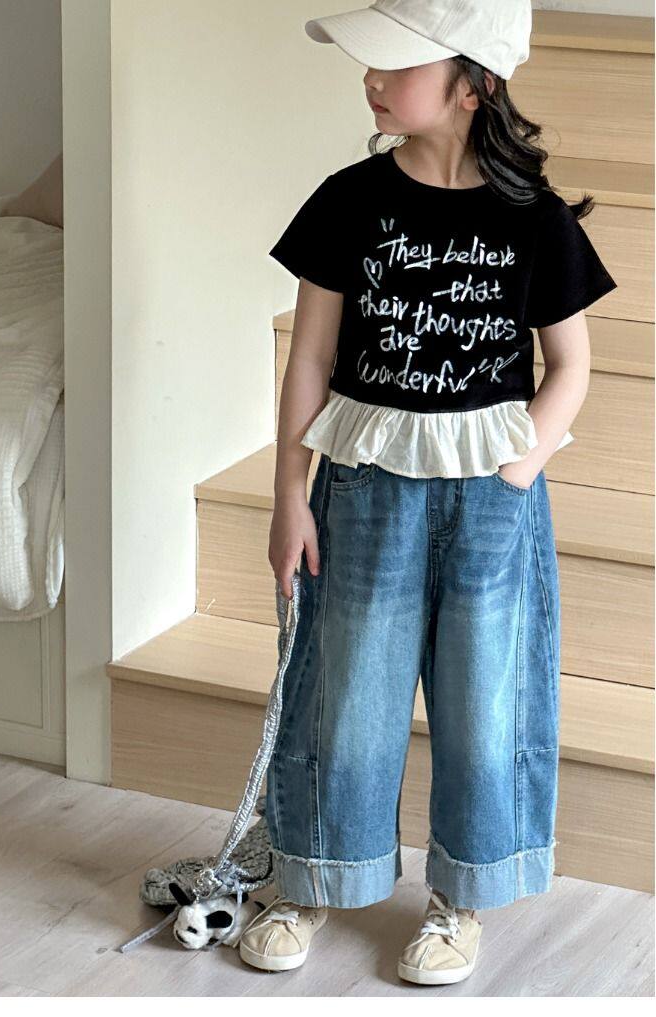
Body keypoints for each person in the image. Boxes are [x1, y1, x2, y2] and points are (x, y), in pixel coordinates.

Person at [238, 0, 618, 985]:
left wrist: (518, 467)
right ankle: (311, 877)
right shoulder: (349, 202)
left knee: (485, 700)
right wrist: (289, 497)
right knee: (347, 694)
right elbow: (310, 358)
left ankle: (461, 899)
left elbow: (572, 363)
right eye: (369, 62)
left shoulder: (533, 217)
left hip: (490, 499)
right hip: (365, 489)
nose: (371, 79)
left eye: (396, 64)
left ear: (473, 83)